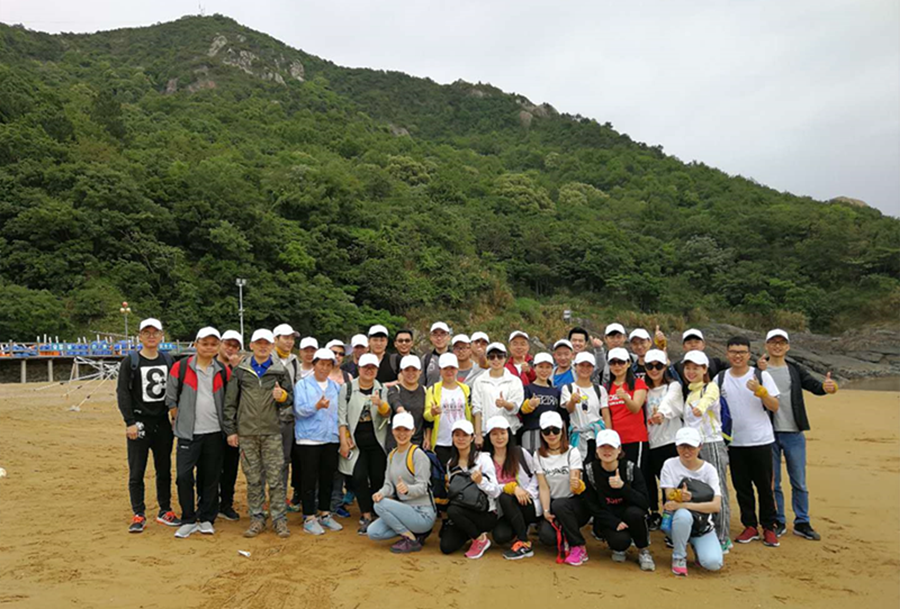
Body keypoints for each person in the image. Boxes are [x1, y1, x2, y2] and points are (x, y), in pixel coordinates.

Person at [760, 329, 837, 541]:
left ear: (788, 346)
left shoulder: (794, 369)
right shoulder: (759, 369)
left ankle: (802, 522)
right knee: (772, 482)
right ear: (766, 345)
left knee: (799, 481)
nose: (777, 346)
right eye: (773, 342)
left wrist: (826, 387)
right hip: (768, 433)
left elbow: (814, 386)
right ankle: (778, 521)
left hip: (793, 431)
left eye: (781, 342)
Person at [653, 350, 731, 552]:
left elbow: (710, 398)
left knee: (717, 489)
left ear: (705, 369)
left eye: (696, 368)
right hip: (692, 445)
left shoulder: (709, 388)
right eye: (687, 368)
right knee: (695, 490)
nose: (691, 371)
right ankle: (698, 530)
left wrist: (702, 407)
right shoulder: (690, 392)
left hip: (710, 443)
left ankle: (722, 536)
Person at [223, 328, 294, 538]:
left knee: (276, 479)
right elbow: (230, 403)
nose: (263, 347)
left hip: (272, 432)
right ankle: (257, 518)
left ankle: (279, 519)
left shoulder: (280, 370)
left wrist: (282, 397)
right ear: (251, 345)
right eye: (258, 343)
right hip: (247, 433)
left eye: (266, 343)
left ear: (272, 346)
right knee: (253, 479)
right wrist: (231, 431)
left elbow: (290, 399)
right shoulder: (241, 371)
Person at [116, 317, 180, 533]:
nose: (151, 336)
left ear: (162, 336)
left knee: (163, 469)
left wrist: (174, 417)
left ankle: (165, 509)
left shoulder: (168, 360)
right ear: (140, 336)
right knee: (137, 471)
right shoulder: (131, 361)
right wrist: (129, 422)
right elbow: (123, 393)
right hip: (139, 422)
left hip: (162, 423)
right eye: (147, 332)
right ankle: (138, 513)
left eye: (155, 332)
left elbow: (174, 391)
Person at [168, 327, 231, 538]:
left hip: (214, 432)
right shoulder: (182, 367)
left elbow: (230, 401)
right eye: (205, 343)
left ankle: (206, 518)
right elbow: (171, 398)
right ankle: (188, 518)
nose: (209, 347)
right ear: (196, 344)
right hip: (188, 433)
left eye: (214, 344)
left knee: (210, 477)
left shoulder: (223, 370)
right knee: (184, 477)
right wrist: (180, 419)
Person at [719, 336, 781, 547]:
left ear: (749, 354)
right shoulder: (720, 379)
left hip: (761, 440)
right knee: (742, 487)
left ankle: (769, 527)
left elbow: (774, 406)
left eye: (742, 352)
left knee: (765, 487)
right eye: (734, 352)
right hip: (734, 443)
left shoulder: (761, 376)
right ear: (727, 354)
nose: (738, 356)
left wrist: (761, 392)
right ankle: (750, 526)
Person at [583, 429, 655, 571]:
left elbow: (644, 502)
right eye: (603, 447)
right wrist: (613, 522)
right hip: (609, 517)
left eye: (611, 447)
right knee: (619, 543)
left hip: (630, 513)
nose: (607, 451)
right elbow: (591, 504)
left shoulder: (630, 468)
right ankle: (620, 544)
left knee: (635, 514)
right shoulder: (590, 470)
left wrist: (623, 487)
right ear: (597, 450)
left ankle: (643, 549)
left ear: (619, 449)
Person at [368, 412, 437, 553]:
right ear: (392, 430)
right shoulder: (392, 455)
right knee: (373, 532)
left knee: (380, 505)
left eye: (406, 430)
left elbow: (423, 487)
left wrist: (407, 489)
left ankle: (409, 538)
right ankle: (415, 533)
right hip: (405, 510)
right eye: (398, 429)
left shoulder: (418, 455)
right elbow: (388, 484)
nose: (402, 434)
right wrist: (381, 493)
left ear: (413, 431)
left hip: (423, 513)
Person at [661, 427, 724, 576]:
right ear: (676, 446)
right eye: (682, 446)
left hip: (702, 525)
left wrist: (685, 503)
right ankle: (679, 556)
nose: (686, 450)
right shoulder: (669, 464)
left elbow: (716, 506)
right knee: (683, 515)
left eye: (691, 446)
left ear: (700, 446)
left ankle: (697, 546)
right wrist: (678, 496)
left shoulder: (709, 470)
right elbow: (669, 494)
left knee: (712, 563)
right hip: (676, 522)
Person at [339, 353, 391, 535]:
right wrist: (343, 441)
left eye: (373, 368)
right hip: (356, 442)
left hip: (377, 441)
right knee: (359, 477)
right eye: (365, 367)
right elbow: (341, 417)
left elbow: (387, 414)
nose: (369, 371)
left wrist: (381, 404)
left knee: (377, 477)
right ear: (359, 369)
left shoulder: (382, 389)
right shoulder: (347, 389)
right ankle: (366, 514)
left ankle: (378, 513)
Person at [293, 348, 343, 535]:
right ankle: (308, 516)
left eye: (328, 365)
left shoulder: (335, 387)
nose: (325, 368)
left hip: (330, 438)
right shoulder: (302, 385)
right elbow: (299, 410)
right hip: (309, 439)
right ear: (314, 365)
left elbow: (340, 413)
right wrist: (317, 406)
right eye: (321, 364)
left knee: (327, 477)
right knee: (308, 478)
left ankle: (325, 513)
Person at [438, 420, 501, 558]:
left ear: (472, 437)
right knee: (446, 546)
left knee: (453, 510)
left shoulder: (483, 459)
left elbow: (496, 491)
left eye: (465, 435)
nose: (461, 439)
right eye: (457, 435)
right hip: (461, 513)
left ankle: (480, 539)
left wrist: (481, 482)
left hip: (484, 513)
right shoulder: (451, 464)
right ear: (452, 437)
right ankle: (471, 531)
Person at [535, 411, 590, 566]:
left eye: (555, 430)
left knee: (560, 504)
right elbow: (543, 486)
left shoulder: (572, 452)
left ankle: (578, 545)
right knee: (547, 537)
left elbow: (575, 481)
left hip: (573, 504)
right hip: (553, 505)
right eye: (546, 431)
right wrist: (546, 512)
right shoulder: (538, 455)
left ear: (562, 430)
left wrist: (577, 484)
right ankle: (565, 533)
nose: (551, 434)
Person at [484, 416, 540, 560]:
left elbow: (536, 474)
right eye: (494, 434)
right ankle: (520, 528)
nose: (499, 437)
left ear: (509, 433)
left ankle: (523, 542)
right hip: (506, 509)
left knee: (506, 497)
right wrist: (511, 488)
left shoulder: (519, 453)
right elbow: (490, 486)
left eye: (503, 433)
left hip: (526, 503)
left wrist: (528, 492)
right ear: (488, 436)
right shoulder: (485, 459)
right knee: (500, 536)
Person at [642, 349, 684, 532]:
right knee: (649, 481)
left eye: (658, 366)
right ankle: (654, 513)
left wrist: (661, 414)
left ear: (665, 366)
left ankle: (672, 518)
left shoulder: (673, 386)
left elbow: (670, 403)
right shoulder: (642, 388)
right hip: (649, 441)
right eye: (650, 366)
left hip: (669, 442)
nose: (654, 369)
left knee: (670, 483)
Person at [560, 352, 611, 463]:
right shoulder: (568, 388)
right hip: (578, 436)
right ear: (575, 366)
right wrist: (573, 401)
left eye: (588, 366)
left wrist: (609, 436)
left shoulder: (600, 390)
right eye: (581, 365)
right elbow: (569, 410)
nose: (585, 369)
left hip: (596, 436)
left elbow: (605, 415)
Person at [424, 353, 473, 467]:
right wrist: (432, 412)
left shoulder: (466, 389)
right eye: (445, 368)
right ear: (440, 370)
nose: (449, 371)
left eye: (452, 368)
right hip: (441, 441)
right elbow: (426, 415)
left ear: (457, 369)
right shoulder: (433, 389)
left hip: (462, 441)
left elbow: (470, 413)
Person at [604, 347, 649, 472]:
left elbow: (635, 408)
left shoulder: (638, 383)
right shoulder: (607, 387)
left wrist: (625, 398)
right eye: (613, 362)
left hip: (635, 438)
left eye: (621, 362)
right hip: (617, 441)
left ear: (628, 364)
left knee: (637, 474)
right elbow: (607, 415)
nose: (617, 366)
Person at [471, 343, 523, 449]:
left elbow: (516, 407)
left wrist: (505, 404)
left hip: (508, 431)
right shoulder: (480, 381)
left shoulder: (514, 381)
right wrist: (478, 434)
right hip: (487, 432)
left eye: (499, 356)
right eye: (491, 357)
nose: (496, 360)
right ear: (487, 359)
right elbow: (477, 409)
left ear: (505, 358)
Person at [273, 324, 302, 514]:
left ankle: (281, 498)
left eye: (292, 338)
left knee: (284, 460)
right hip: (270, 418)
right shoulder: (267, 359)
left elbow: (297, 386)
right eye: (286, 337)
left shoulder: (294, 360)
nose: (290, 341)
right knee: (270, 461)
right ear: (276, 339)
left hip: (289, 417)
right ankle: (273, 499)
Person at [216, 329, 244, 522]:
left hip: (233, 425)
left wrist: (237, 369)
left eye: (235, 346)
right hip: (211, 423)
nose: (231, 349)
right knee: (210, 467)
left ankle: (226, 503)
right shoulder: (211, 365)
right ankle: (208, 502)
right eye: (228, 344)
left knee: (230, 466)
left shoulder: (240, 368)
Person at [519, 352, 562, 453]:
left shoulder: (555, 391)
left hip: (552, 435)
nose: (544, 370)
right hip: (532, 431)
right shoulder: (528, 389)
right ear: (534, 368)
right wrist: (529, 405)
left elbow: (560, 414)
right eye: (541, 367)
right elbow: (521, 411)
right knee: (531, 463)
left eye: (548, 367)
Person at [386, 355, 427, 450]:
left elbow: (426, 419)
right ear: (401, 372)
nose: (411, 373)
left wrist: (427, 437)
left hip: (417, 442)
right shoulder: (395, 389)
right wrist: (402, 412)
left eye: (414, 370)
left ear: (420, 372)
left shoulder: (425, 391)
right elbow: (395, 402)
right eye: (407, 370)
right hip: (397, 442)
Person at [673, 329, 729, 398]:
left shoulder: (716, 363)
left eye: (697, 342)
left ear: (703, 345)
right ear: (684, 347)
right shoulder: (677, 367)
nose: (693, 345)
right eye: (689, 343)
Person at [422, 321, 451, 386]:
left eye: (443, 334)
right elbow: (421, 385)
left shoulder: (455, 357)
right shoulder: (426, 359)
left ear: (448, 337)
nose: (439, 338)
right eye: (435, 334)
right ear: (431, 338)